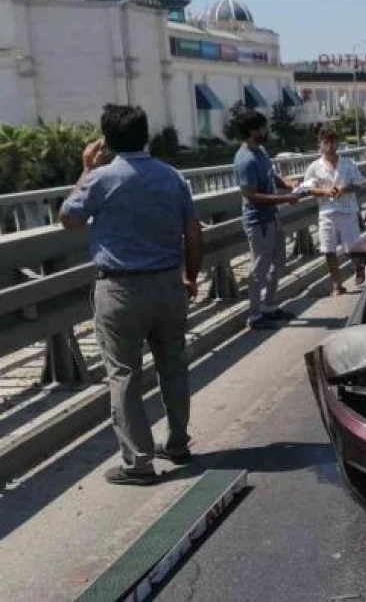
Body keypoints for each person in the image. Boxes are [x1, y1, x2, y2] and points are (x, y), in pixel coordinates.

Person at [59, 104, 202, 486]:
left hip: (121, 289)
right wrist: (191, 276)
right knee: (173, 367)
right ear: (146, 135)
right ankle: (176, 443)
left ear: (107, 141)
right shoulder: (173, 177)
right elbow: (194, 232)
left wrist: (86, 169)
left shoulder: (102, 178)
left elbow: (69, 218)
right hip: (168, 284)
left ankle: (138, 463)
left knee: (123, 374)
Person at [232, 109, 302, 330]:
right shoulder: (245, 160)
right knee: (259, 268)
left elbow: (271, 176)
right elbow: (250, 195)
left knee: (279, 262)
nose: (266, 130)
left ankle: (270, 307)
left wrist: (287, 184)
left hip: (272, 216)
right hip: (258, 221)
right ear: (252, 131)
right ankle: (254, 315)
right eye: (262, 127)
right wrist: (284, 199)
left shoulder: (260, 151)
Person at [302, 127, 366, 295]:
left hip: (347, 211)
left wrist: (343, 190)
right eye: (326, 142)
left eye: (333, 141)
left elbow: (359, 183)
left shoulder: (348, 164)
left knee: (353, 249)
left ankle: (359, 267)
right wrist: (324, 192)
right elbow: (308, 189)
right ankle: (337, 285)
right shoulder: (314, 167)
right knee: (329, 250)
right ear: (320, 144)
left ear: (337, 143)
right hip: (327, 213)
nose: (330, 145)